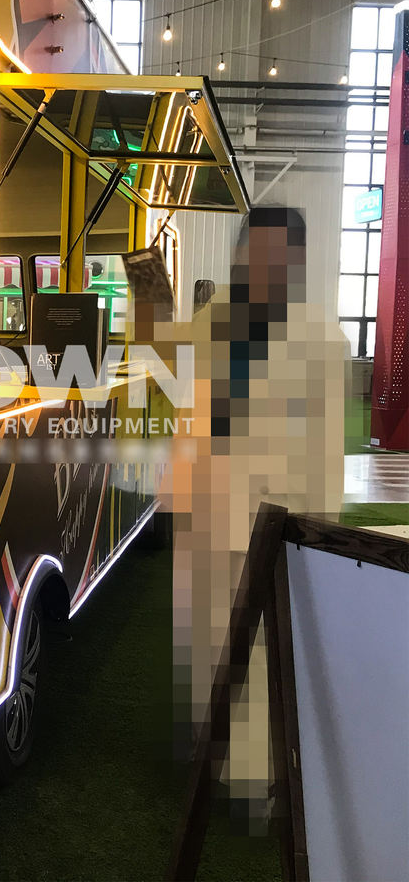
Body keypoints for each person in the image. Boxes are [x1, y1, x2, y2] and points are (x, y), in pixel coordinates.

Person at [168, 207, 348, 821]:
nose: (263, 266)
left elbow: (326, 453)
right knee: (208, 641)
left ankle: (260, 776)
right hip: (210, 515)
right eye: (253, 252)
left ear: (297, 263)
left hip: (276, 521)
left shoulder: (322, 341)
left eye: (277, 255)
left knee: (268, 648)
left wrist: (320, 534)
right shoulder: (212, 324)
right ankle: (210, 756)